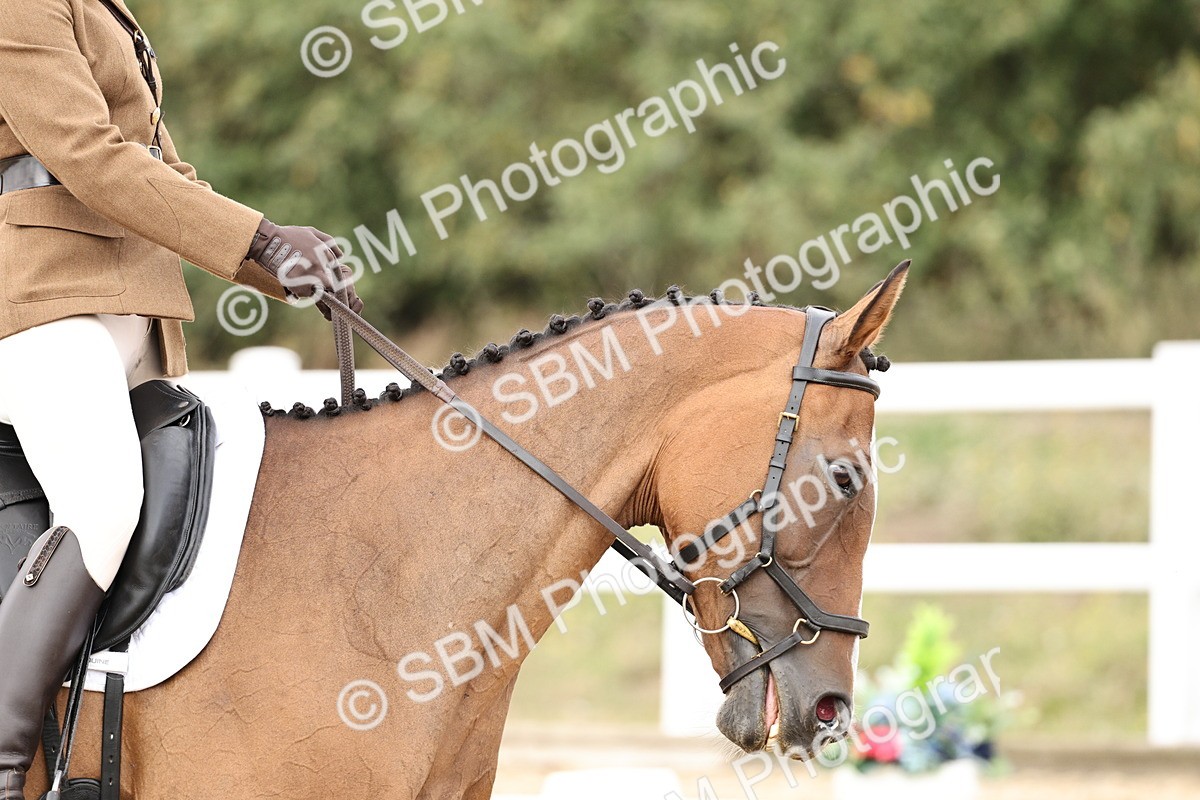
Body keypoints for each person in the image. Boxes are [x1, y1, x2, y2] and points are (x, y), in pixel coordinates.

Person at [0, 1, 363, 796]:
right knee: (103, 502)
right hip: (36, 304)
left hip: (123, 313)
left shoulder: (101, 6)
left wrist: (285, 271)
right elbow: (88, 158)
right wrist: (264, 236)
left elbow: (162, 173)